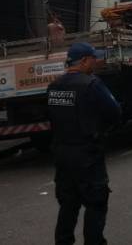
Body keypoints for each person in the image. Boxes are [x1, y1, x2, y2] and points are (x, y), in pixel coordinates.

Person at [47, 42, 121, 245]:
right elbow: (114, 112)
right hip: (87, 153)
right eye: (93, 58)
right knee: (96, 203)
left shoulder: (54, 86)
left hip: (62, 154)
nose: (96, 62)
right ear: (84, 60)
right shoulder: (91, 84)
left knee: (68, 204)